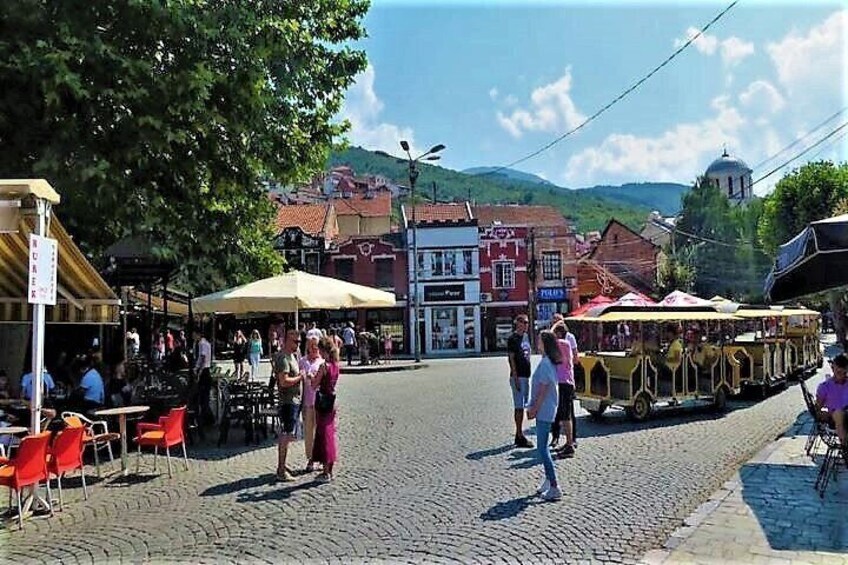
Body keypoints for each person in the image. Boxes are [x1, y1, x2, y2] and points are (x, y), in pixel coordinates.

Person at [527, 330, 562, 502]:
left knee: (542, 448)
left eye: (539, 340)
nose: (537, 342)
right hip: (545, 408)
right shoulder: (546, 361)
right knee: (543, 446)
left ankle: (555, 486)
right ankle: (548, 480)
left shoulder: (546, 363)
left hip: (545, 409)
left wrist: (534, 408)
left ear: (545, 343)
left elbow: (543, 390)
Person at [275, 329, 303, 482]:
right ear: (286, 341)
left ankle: (283, 465)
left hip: (295, 400)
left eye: (299, 341)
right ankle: (280, 469)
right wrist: (300, 377)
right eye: (295, 341)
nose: (298, 344)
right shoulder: (283, 358)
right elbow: (283, 381)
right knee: (286, 435)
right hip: (287, 402)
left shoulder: (293, 356)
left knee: (289, 435)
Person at [312, 336, 340, 482]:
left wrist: (310, 376)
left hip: (323, 402)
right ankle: (330, 469)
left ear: (323, 350)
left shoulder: (324, 366)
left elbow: (314, 384)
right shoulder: (336, 365)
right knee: (330, 435)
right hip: (332, 402)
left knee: (323, 436)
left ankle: (325, 472)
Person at [507, 314, 534, 448]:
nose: (526, 324)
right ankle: (519, 435)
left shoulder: (526, 337)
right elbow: (511, 359)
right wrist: (516, 377)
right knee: (518, 407)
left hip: (526, 375)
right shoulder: (513, 339)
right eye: (524, 322)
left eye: (527, 322)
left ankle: (520, 433)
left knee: (522, 406)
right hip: (518, 377)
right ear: (517, 323)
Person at [550, 323, 576, 457]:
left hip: (563, 383)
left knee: (565, 414)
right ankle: (568, 442)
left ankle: (570, 445)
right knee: (564, 413)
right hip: (565, 382)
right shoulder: (565, 344)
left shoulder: (562, 343)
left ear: (559, 334)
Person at [300, 336, 324, 472]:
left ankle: (321, 458)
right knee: (308, 432)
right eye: (312, 345)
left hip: (320, 402)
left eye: (316, 345)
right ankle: (310, 458)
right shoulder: (302, 361)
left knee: (320, 431)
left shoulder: (322, 361)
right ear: (307, 346)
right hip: (307, 402)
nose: (314, 348)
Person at [815, 353, 848, 444]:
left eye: (844, 373)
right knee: (838, 413)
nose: (841, 376)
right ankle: (845, 447)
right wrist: (825, 413)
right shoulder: (825, 387)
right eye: (839, 373)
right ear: (833, 369)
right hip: (834, 417)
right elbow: (817, 408)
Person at [194, 330, 213, 424]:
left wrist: (199, 371)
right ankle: (207, 417)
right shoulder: (205, 343)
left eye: (194, 335)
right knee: (204, 397)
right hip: (205, 370)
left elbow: (203, 357)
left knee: (203, 397)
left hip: (204, 371)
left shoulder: (202, 344)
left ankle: (208, 418)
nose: (193, 337)